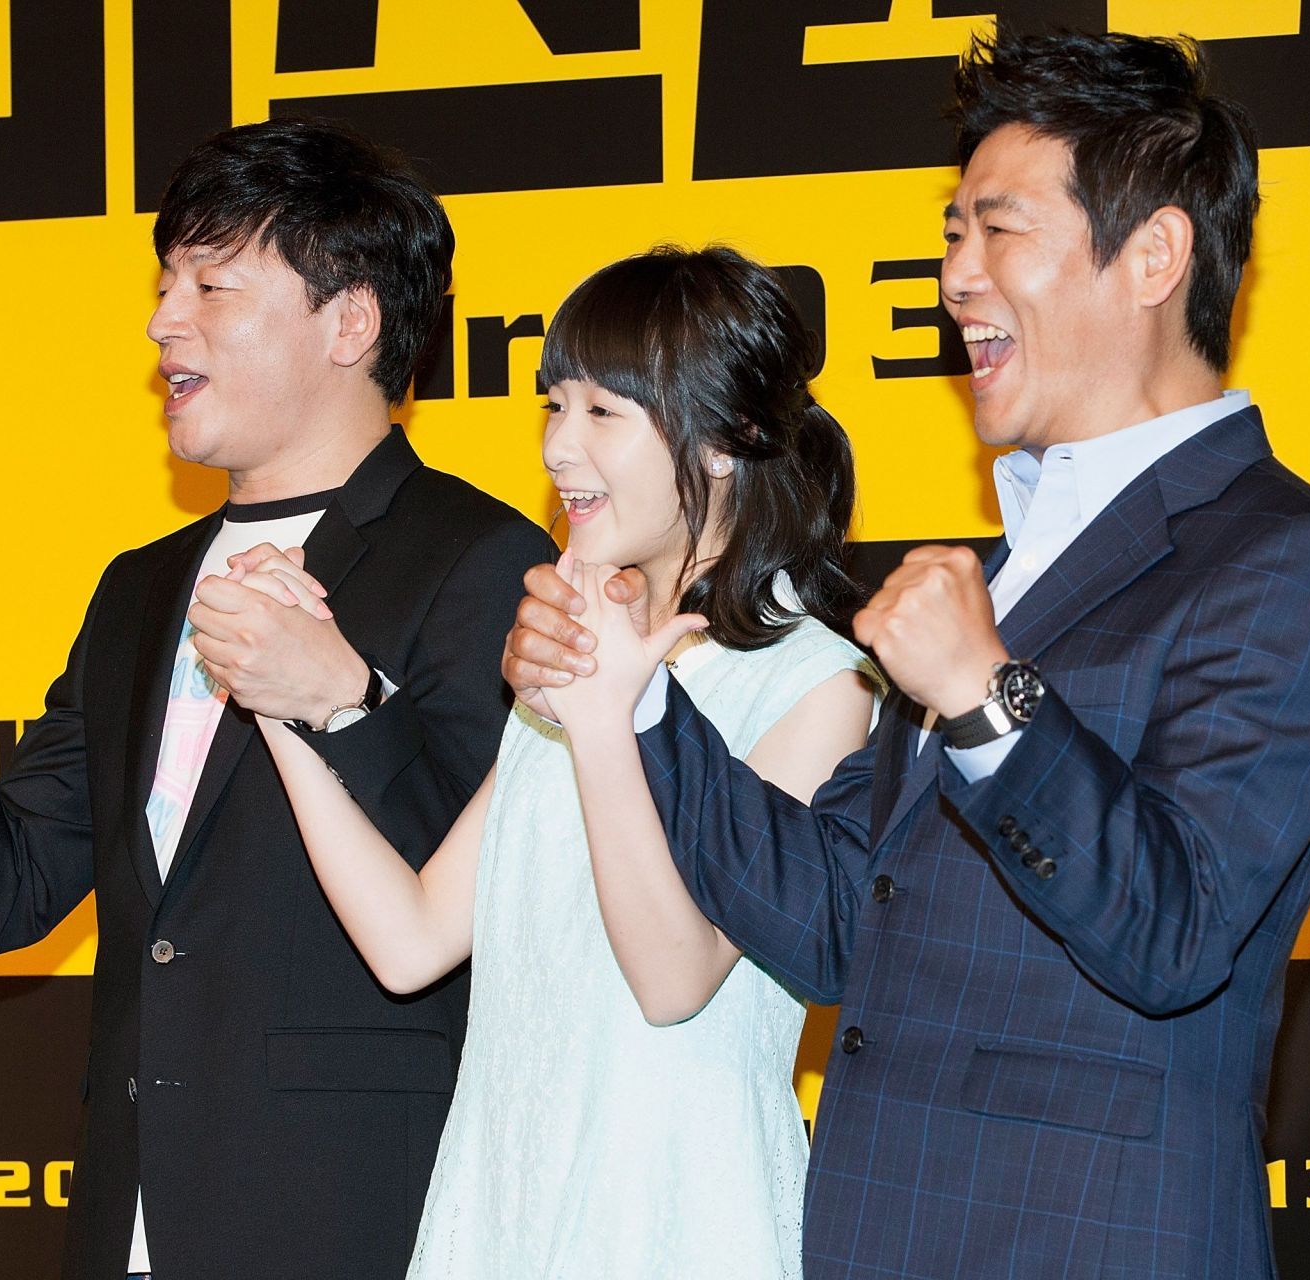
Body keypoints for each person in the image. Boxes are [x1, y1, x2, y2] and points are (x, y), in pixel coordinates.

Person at [503, 31, 1310, 1280]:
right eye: (953, 232)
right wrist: (636, 701)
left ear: (1153, 256)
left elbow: (1177, 928)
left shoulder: (1287, 556)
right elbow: (833, 921)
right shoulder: (1000, 570)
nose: (956, 276)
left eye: (998, 229)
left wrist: (984, 696)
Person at [0, 119, 553, 1280]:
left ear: (350, 323)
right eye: (164, 283)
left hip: (355, 1222)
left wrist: (344, 703)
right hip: (133, 1221)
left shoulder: (482, 560)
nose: (163, 321)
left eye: (213, 286)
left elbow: (501, 895)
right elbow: (11, 884)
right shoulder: (141, 588)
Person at [205, 246, 878, 1278]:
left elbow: (674, 979)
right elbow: (411, 939)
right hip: (504, 1211)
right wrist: (281, 704)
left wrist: (607, 716)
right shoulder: (565, 652)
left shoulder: (814, 683)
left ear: (723, 443)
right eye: (555, 406)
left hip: (673, 1226)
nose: (560, 448)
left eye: (604, 412)